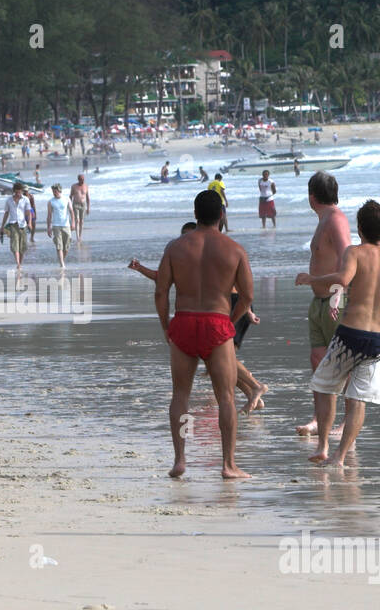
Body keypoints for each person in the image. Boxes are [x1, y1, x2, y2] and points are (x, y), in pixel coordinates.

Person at [295, 200, 380, 465]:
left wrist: (311, 279)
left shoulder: (354, 252)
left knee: (324, 386)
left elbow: (343, 279)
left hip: (351, 333)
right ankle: (340, 457)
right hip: (379, 338)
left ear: (359, 227)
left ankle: (322, 446)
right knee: (358, 398)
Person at [155, 191, 254, 479]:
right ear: (222, 215)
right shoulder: (234, 249)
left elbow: (161, 292)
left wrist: (165, 325)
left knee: (181, 396)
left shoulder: (175, 247)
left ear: (195, 214)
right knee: (225, 397)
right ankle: (228, 464)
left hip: (183, 321)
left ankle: (180, 459)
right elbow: (247, 296)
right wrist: (229, 323)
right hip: (217, 321)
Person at [132, 222, 267, 414]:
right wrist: (140, 268)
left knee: (224, 362)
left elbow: (240, 288)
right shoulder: (190, 257)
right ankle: (252, 394)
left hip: (232, 306)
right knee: (216, 366)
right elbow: (161, 278)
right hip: (219, 311)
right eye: (184, 237)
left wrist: (248, 312)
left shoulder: (211, 254)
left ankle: (255, 386)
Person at [295, 172, 351, 437]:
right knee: (317, 359)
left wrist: (339, 293)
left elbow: (347, 258)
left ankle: (346, 423)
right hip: (319, 302)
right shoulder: (324, 219)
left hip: (334, 301)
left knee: (343, 362)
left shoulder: (336, 220)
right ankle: (318, 418)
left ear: (312, 196)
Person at [0, 181, 30, 270]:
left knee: (23, 246)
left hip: (23, 224)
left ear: (22, 191)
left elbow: (28, 212)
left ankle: (20, 262)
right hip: (13, 224)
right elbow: (6, 213)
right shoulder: (9, 200)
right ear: (14, 191)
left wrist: (30, 223)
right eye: (16, 192)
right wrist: (2, 226)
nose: (18, 194)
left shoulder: (25, 199)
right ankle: (18, 263)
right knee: (14, 244)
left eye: (19, 192)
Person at [46, 183, 74, 269]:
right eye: (53, 191)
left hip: (66, 225)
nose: (54, 193)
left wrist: (73, 223)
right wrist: (48, 228)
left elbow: (71, 211)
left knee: (67, 246)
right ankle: (62, 264)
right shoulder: (51, 202)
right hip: (56, 225)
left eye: (55, 191)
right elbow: (49, 215)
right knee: (59, 245)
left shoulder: (66, 199)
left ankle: (61, 261)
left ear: (59, 191)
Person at [69, 174, 89, 242]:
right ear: (78, 179)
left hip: (83, 205)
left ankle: (80, 235)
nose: (82, 181)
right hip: (76, 204)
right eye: (81, 180)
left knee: (82, 221)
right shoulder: (74, 186)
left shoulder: (86, 186)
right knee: (77, 220)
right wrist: (70, 206)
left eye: (83, 179)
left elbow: (88, 197)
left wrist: (88, 208)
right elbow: (70, 196)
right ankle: (77, 236)